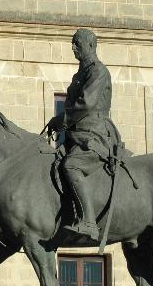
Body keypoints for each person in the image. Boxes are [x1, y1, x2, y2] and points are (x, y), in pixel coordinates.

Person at [47, 28, 121, 241]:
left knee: (71, 166)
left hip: (93, 134)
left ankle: (88, 221)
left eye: (77, 43)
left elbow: (86, 103)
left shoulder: (98, 71)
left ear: (90, 46)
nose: (73, 47)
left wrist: (61, 119)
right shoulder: (79, 74)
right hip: (73, 135)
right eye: (72, 43)